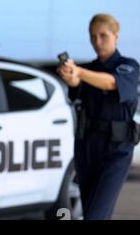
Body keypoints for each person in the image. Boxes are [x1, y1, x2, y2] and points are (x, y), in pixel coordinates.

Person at [57, 14, 139, 220]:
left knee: (95, 215)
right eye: (93, 37)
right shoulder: (89, 68)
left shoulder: (127, 66)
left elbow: (111, 83)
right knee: (91, 210)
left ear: (116, 36)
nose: (97, 42)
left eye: (103, 36)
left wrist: (79, 72)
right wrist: (70, 77)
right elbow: (76, 88)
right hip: (87, 147)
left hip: (116, 150)